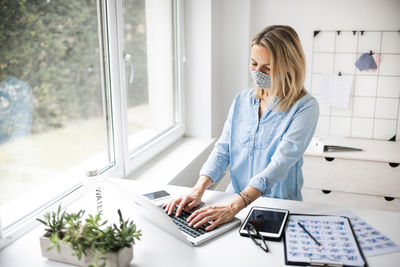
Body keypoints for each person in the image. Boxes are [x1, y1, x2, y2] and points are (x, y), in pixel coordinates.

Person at [164, 25, 319, 232]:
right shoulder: (242, 101)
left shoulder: (305, 107)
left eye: (267, 68)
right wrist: (197, 190)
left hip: (276, 205)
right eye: (253, 63)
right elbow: (223, 149)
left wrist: (235, 205)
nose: (258, 72)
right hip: (233, 201)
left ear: (288, 66)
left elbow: (280, 164)